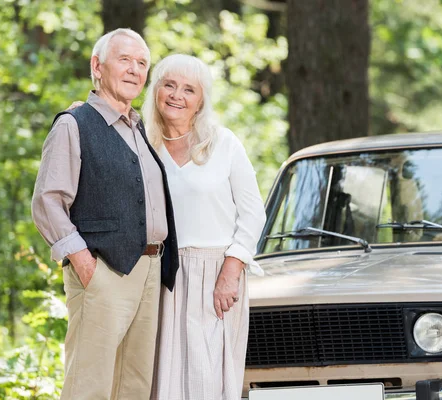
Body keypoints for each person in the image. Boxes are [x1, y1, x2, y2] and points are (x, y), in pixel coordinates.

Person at [31, 28, 179, 400]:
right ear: (97, 66)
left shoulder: (138, 128)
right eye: (124, 60)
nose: (134, 70)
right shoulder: (74, 124)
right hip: (103, 271)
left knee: (134, 385)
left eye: (142, 63)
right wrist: (84, 264)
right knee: (89, 385)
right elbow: (48, 201)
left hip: (149, 270)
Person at [142, 54, 266, 400]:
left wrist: (232, 268)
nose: (176, 95)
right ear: (155, 91)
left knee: (206, 380)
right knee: (159, 379)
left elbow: (253, 212)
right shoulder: (142, 145)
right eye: (169, 85)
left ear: (200, 102)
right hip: (159, 274)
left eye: (188, 89)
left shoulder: (223, 144)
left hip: (216, 275)